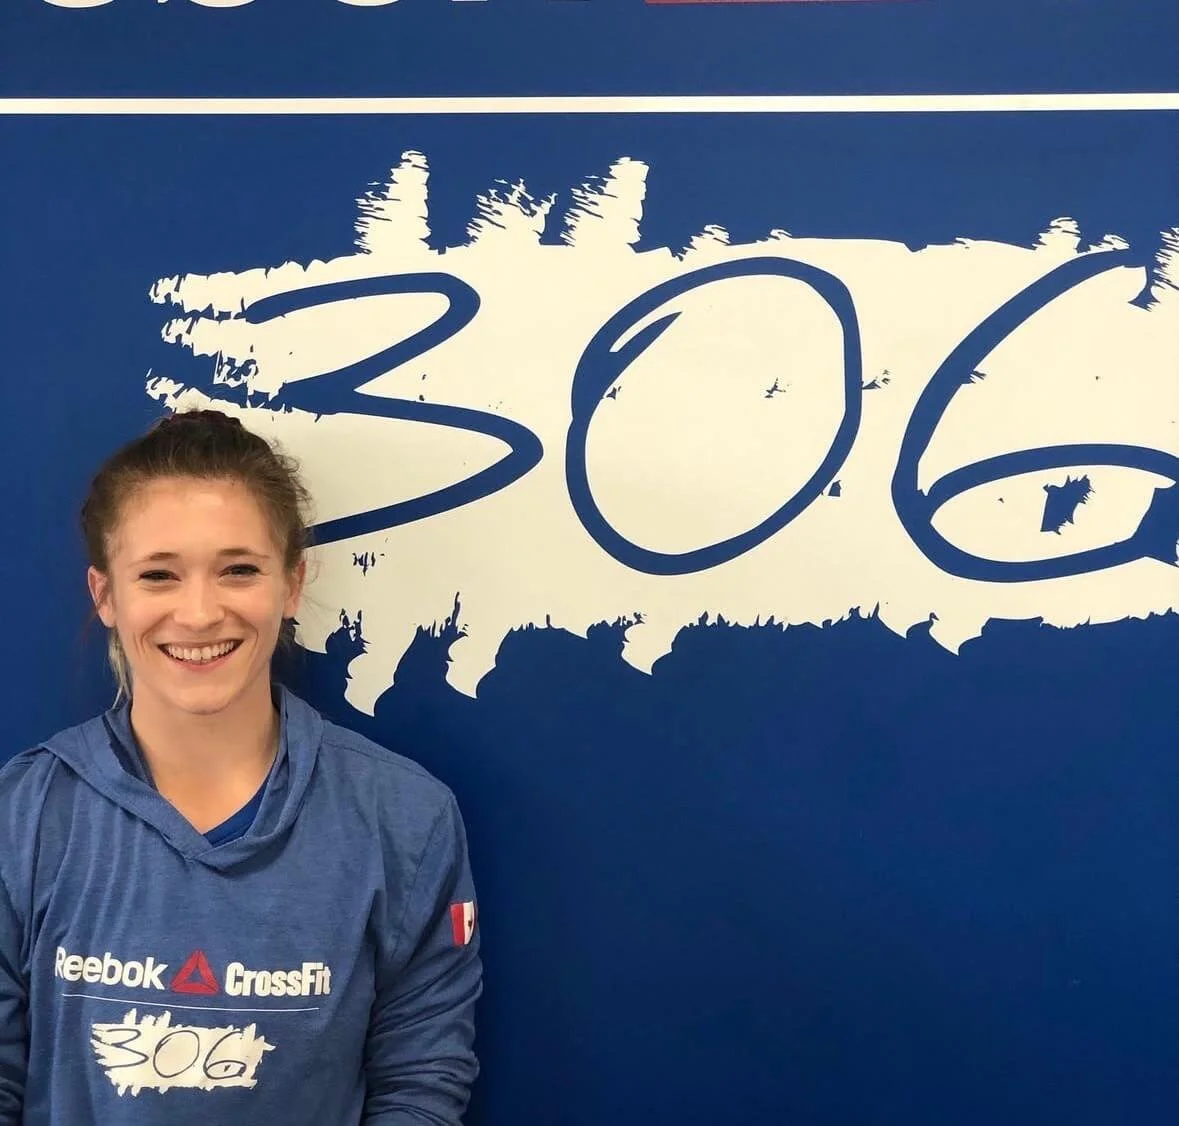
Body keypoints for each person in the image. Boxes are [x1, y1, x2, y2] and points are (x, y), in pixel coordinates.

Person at [0, 409, 481, 1125]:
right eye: (158, 574)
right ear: (106, 595)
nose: (198, 613)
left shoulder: (404, 817)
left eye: (239, 570)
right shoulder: (24, 813)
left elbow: (421, 1077)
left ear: (290, 586)